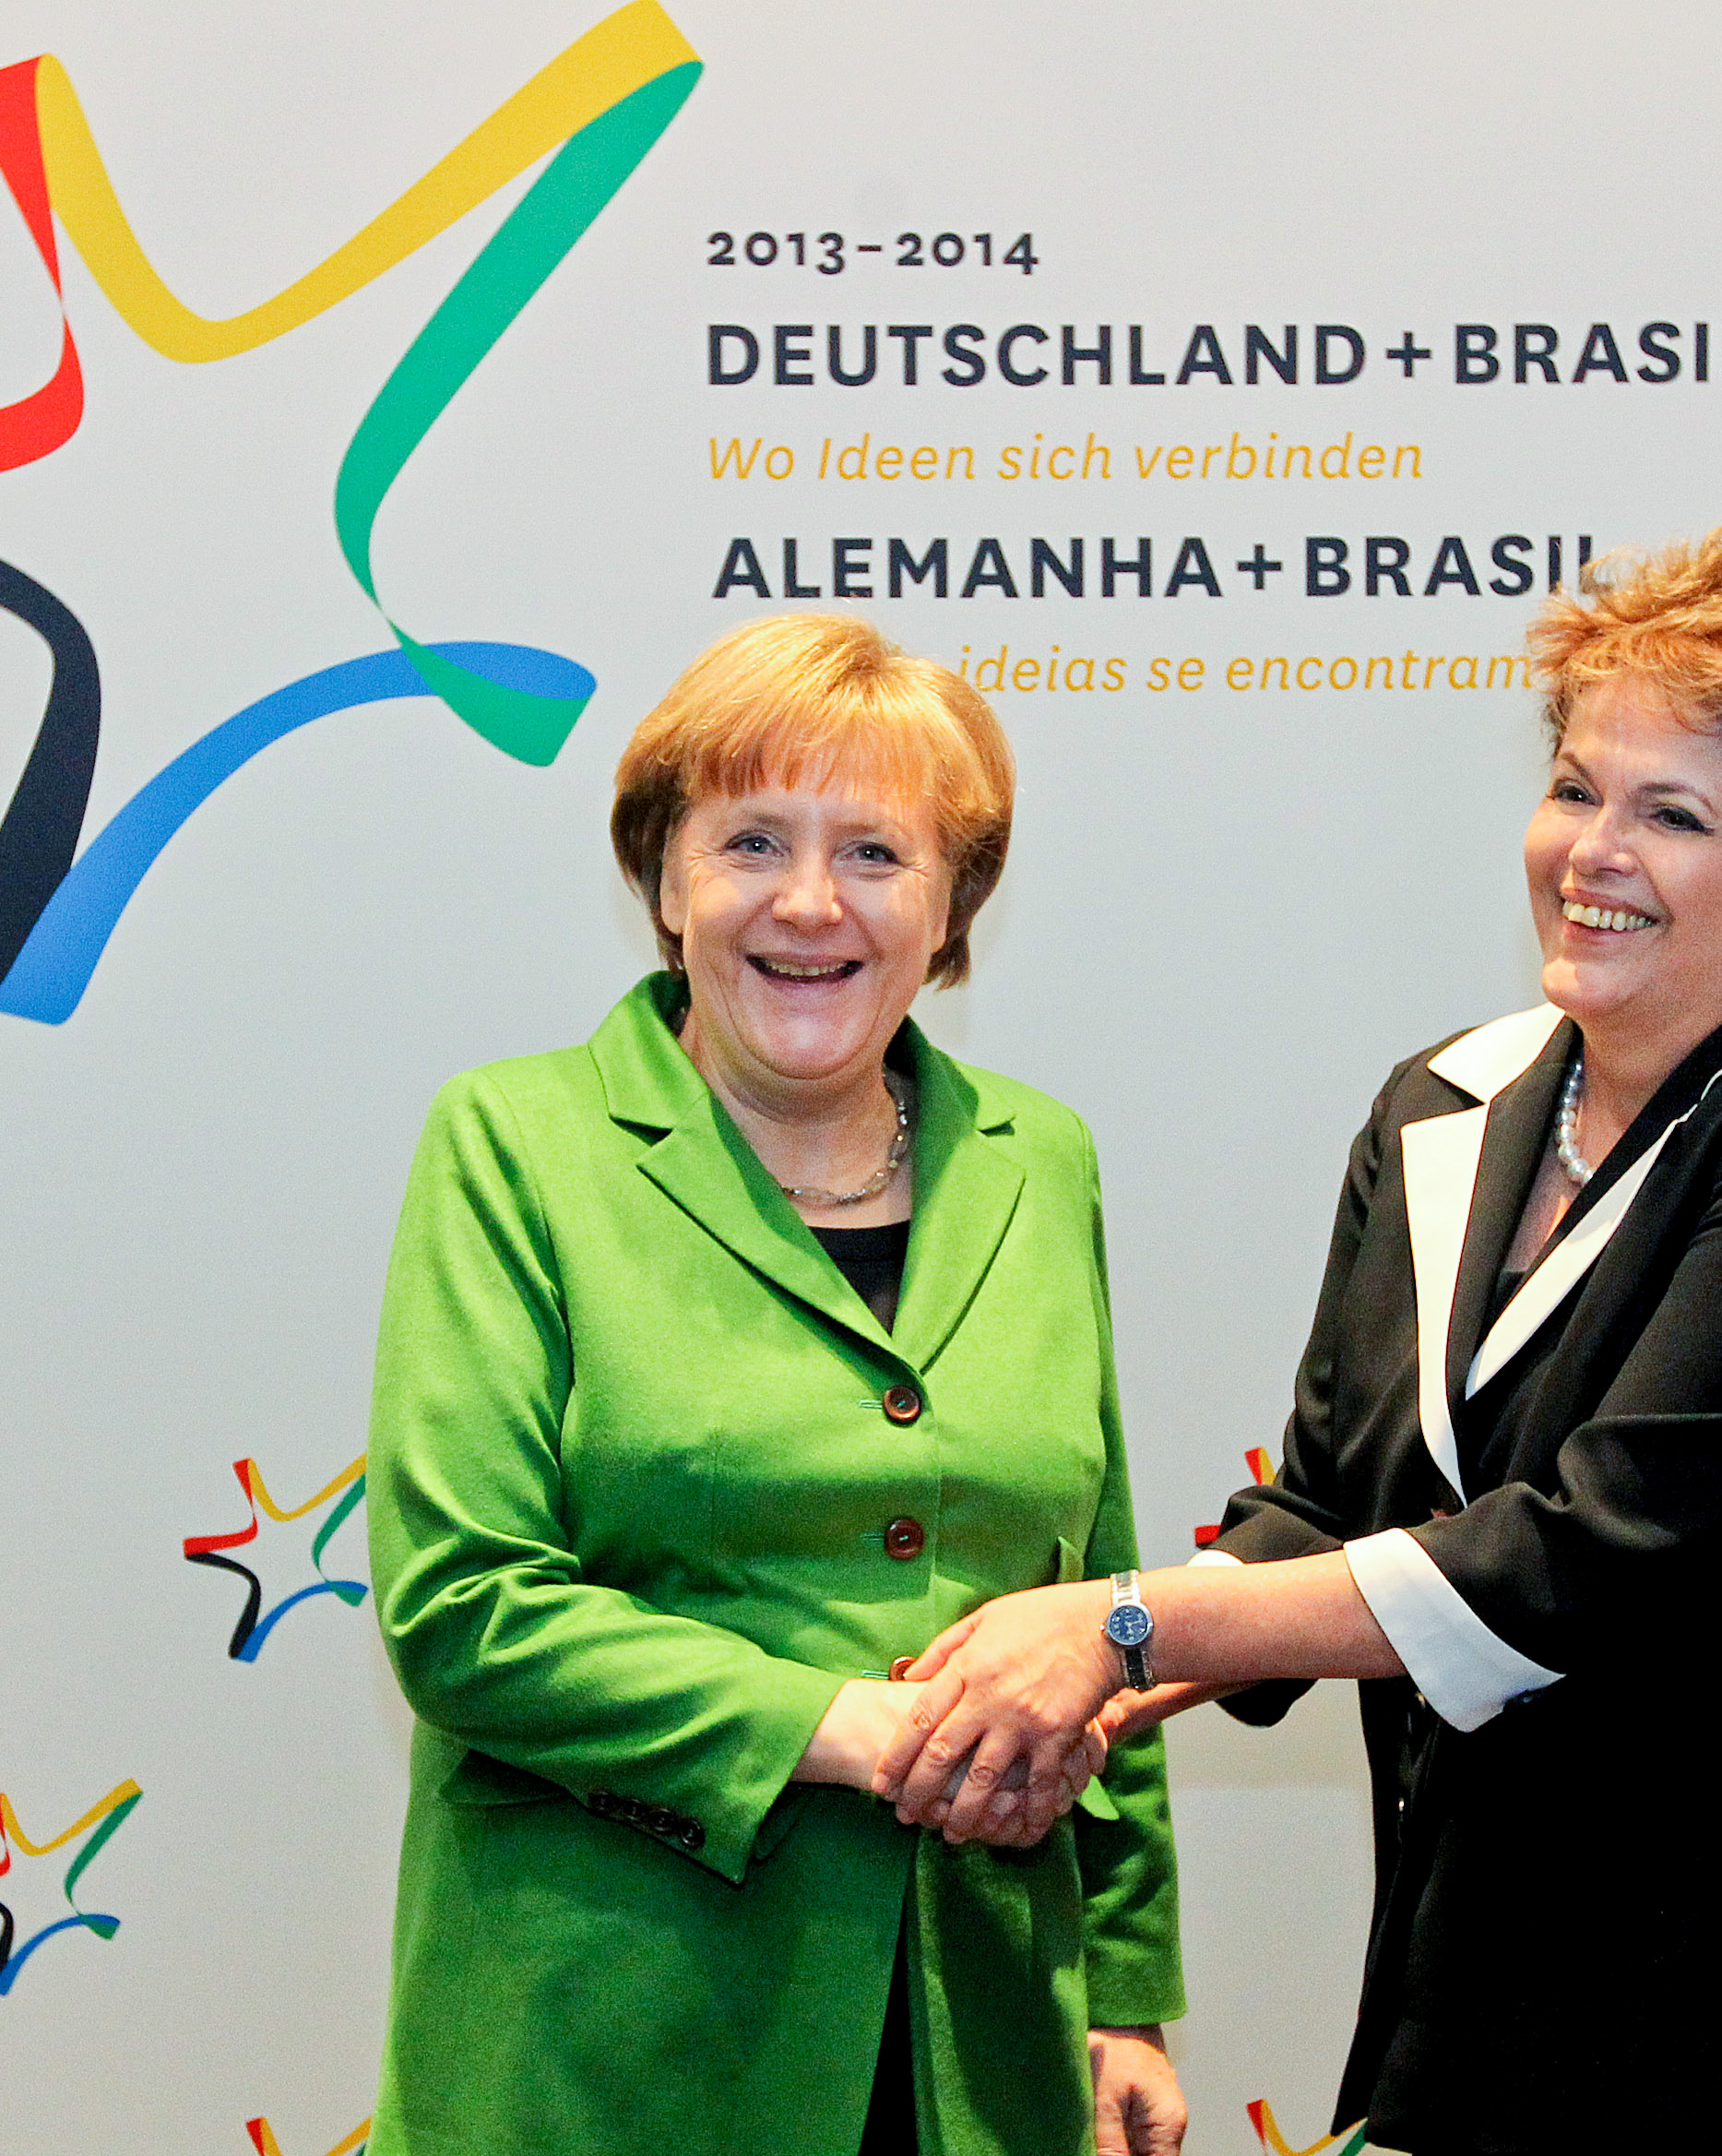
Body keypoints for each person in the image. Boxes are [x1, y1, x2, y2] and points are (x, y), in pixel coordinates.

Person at [874, 532, 1722, 2153]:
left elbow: (1579, 1561)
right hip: (1501, 1984)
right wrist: (1073, 1702)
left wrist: (1127, 1628)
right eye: (1577, 787)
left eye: (1674, 813)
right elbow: (1327, 1502)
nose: (1593, 849)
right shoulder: (1444, 1101)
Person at [363, 613, 1186, 2156]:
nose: (810, 903)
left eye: (876, 852)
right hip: (609, 2045)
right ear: (666, 881)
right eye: (751, 839)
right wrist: (861, 1729)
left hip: (976, 2032)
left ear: (951, 908)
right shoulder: (512, 1143)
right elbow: (461, 1605)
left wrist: (1123, 1987)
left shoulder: (1041, 1156)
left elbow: (1093, 1595)